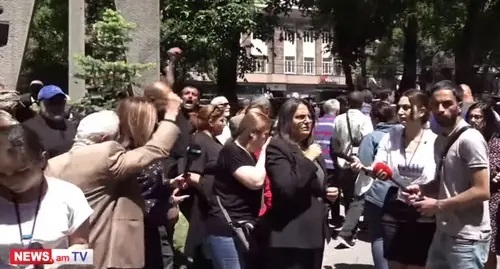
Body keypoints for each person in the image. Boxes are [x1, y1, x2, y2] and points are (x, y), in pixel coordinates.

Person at [45, 92, 182, 269]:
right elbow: (155, 149)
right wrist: (171, 115)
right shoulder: (105, 156)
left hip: (72, 251)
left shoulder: (54, 164)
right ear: (105, 139)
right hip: (103, 251)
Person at [404, 80, 491, 269]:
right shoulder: (440, 140)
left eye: (447, 103)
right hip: (443, 232)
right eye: (435, 105)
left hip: (467, 238)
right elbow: (445, 183)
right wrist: (423, 189)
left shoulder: (471, 140)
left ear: (459, 106)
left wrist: (437, 205)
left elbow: (482, 191)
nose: (440, 109)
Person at [354, 89, 437, 269]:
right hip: (394, 206)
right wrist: (376, 171)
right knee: (395, 264)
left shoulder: (434, 141)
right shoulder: (391, 136)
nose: (400, 112)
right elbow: (379, 164)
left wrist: (425, 191)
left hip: (423, 211)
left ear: (422, 111)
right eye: (399, 107)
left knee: (417, 264)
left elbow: (438, 177)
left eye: (406, 107)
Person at [0, 111, 92, 268]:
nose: (11, 180)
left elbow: (82, 250)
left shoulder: (69, 195)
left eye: (21, 171)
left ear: (42, 159)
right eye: (1, 174)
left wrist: (45, 260)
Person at [263, 98, 338, 269]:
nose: (307, 121)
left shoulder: (310, 146)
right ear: (287, 120)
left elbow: (309, 183)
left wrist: (326, 193)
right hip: (290, 236)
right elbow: (286, 186)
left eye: (310, 117)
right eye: (300, 117)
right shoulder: (278, 147)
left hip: (313, 234)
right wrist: (308, 159)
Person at [205, 111, 271, 269]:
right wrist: (265, 152)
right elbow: (256, 181)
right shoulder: (231, 151)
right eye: (266, 135)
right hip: (226, 230)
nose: (266, 139)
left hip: (242, 226)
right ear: (252, 134)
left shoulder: (246, 153)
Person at [183, 104, 226, 268]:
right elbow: (192, 174)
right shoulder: (199, 141)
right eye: (221, 120)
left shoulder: (213, 140)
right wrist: (210, 193)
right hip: (205, 203)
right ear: (211, 121)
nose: (224, 123)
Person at [465, 102, 500, 269]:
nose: (473, 120)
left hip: (491, 199)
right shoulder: (464, 139)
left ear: (487, 120)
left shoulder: (495, 143)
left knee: (488, 247)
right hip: (466, 196)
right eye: (470, 116)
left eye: (478, 117)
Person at [22, 85, 76, 158]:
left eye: (60, 102)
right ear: (39, 104)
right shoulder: (28, 129)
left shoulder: (71, 126)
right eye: (50, 103)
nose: (56, 107)